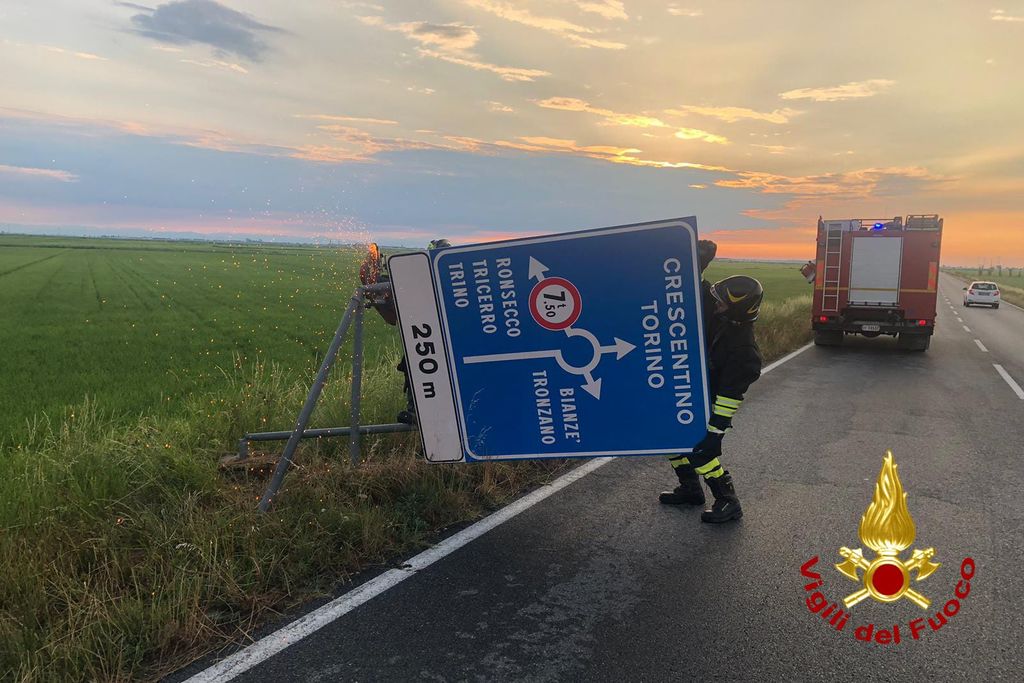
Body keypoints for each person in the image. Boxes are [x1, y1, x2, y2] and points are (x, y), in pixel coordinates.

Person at [660, 240, 763, 523]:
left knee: (702, 451)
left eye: (721, 302)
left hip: (714, 402)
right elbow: (699, 295)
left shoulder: (744, 352)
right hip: (696, 392)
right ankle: (690, 489)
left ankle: (728, 500)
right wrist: (697, 266)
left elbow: (729, 398)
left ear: (735, 309)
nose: (715, 304)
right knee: (669, 437)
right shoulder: (724, 317)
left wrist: (715, 434)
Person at [360, 239, 451, 425]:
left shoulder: (442, 284)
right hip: (426, 341)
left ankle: (420, 413)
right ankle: (418, 412)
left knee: (422, 364)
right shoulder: (421, 282)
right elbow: (390, 309)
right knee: (417, 363)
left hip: (441, 342)